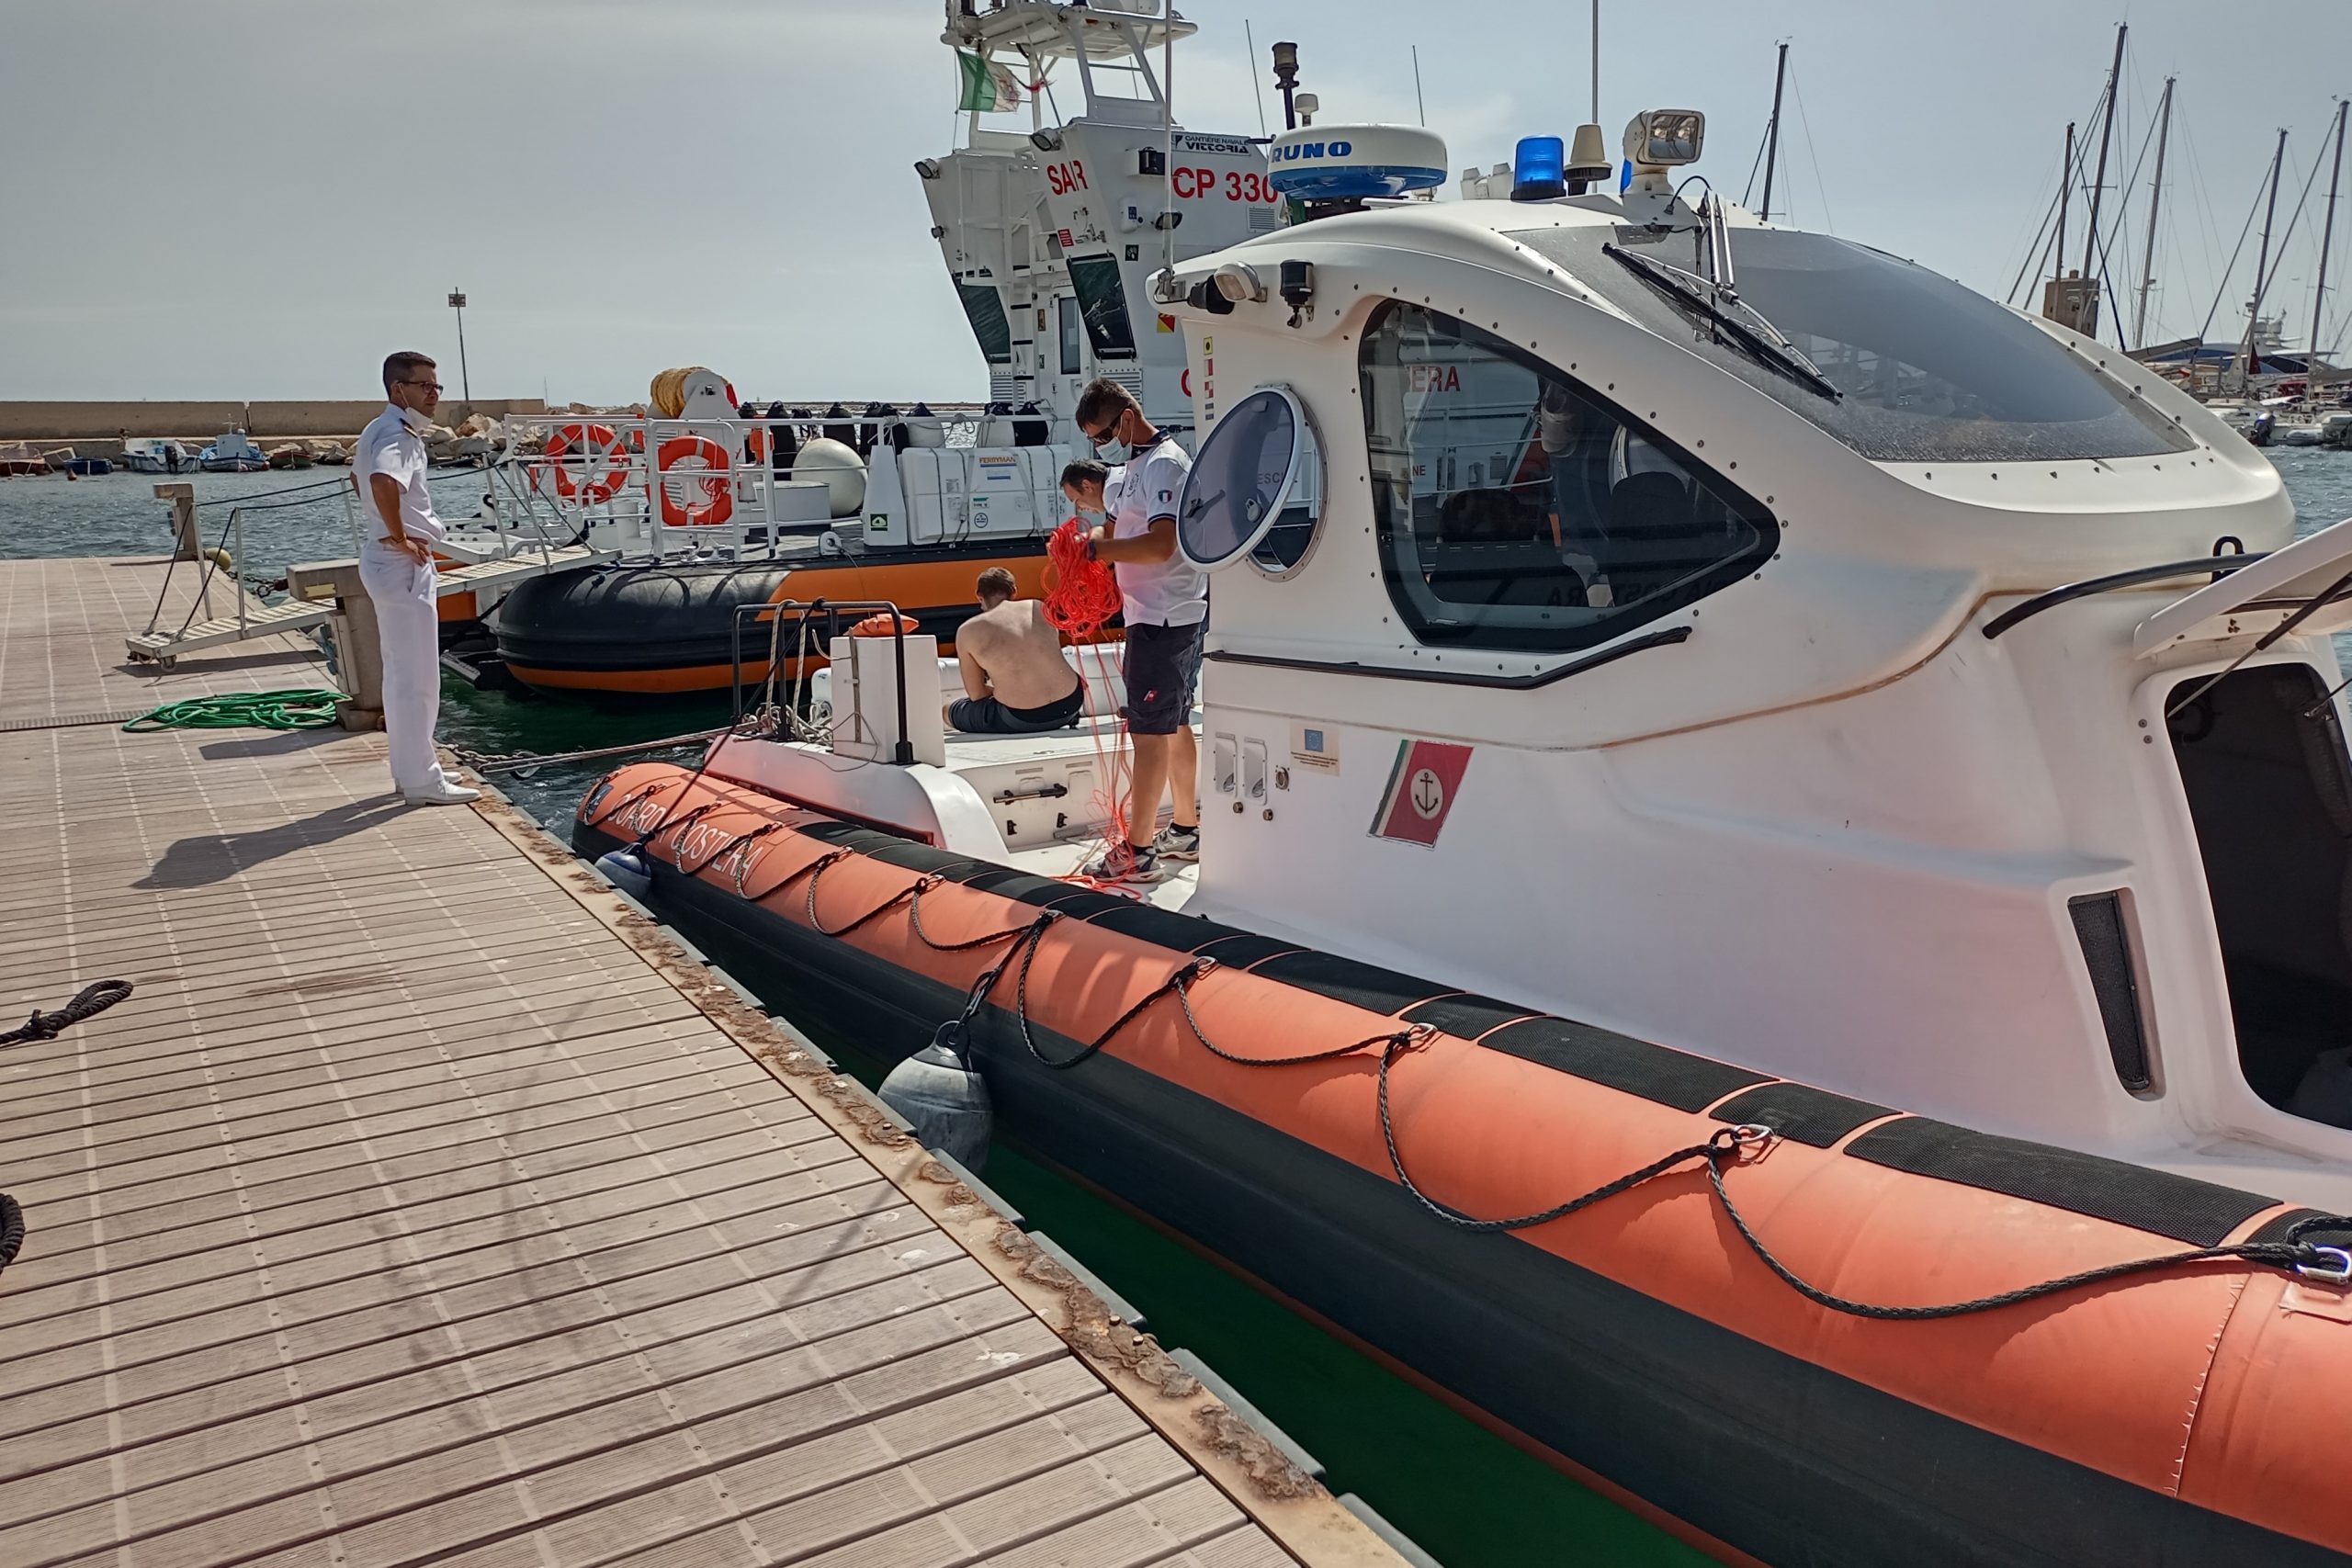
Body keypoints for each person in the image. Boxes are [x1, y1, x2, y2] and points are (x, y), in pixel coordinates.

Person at [1066, 378, 1204, 883]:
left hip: (1164, 618)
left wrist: (1099, 553)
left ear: (1126, 418)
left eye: (1102, 436)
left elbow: (1162, 543)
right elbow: (1117, 524)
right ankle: (1186, 830)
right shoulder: (1130, 471)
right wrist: (1088, 541)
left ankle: (1140, 851)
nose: (1101, 447)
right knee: (1175, 724)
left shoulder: (1166, 464)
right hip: (1157, 616)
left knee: (1149, 733)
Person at [355, 351, 477, 806]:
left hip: (383, 560)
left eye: (436, 386)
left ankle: (410, 773)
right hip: (402, 564)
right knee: (420, 678)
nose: (433, 394)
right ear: (398, 389)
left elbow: (357, 478)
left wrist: (383, 527)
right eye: (424, 385)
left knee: (402, 674)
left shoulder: (376, 428)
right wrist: (401, 536)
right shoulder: (398, 435)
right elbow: (384, 480)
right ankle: (423, 781)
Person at [946, 566, 1084, 734]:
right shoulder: (1038, 607)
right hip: (1071, 703)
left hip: (1021, 718)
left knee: (948, 710)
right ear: (1014, 591)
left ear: (978, 595)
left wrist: (1007, 690)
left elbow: (977, 694)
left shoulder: (967, 630)